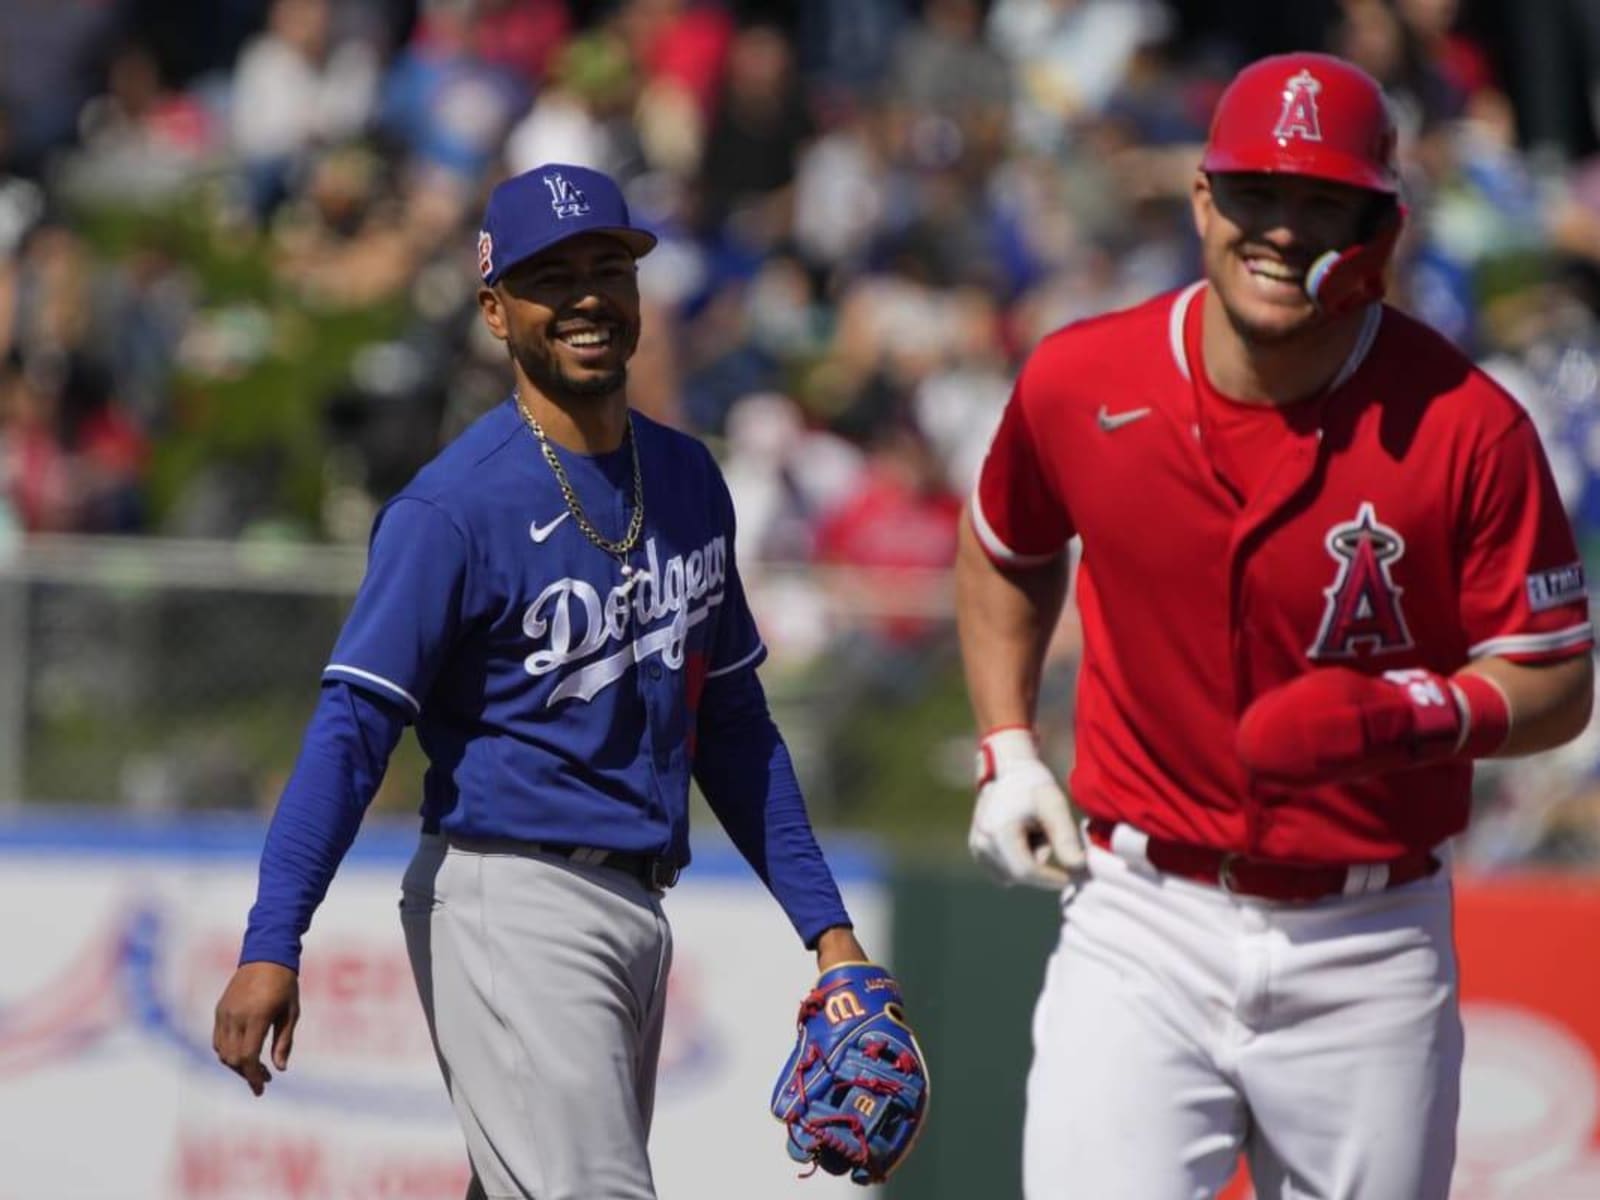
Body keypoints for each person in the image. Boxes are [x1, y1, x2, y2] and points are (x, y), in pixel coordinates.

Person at [956, 52, 1594, 1200]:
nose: (1283, 230)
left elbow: (1555, 678)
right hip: (1139, 918)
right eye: (1256, 192)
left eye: (1322, 201)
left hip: (1371, 936)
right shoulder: (1080, 378)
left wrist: (1415, 713)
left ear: (1379, 224)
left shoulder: (1468, 427)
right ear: (1203, 200)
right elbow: (1004, 544)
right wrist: (1006, 751)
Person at [212, 163, 905, 1199]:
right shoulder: (451, 510)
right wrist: (274, 939)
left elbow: (735, 726)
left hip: (636, 908)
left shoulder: (684, 480)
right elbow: (353, 729)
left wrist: (831, 936)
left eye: (607, 267)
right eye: (550, 277)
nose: (586, 296)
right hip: (509, 896)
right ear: (496, 311)